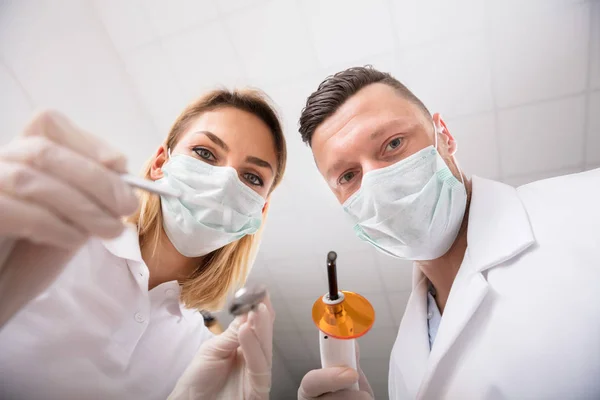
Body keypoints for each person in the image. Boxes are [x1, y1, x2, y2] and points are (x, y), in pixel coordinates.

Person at [296, 66, 600, 399]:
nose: (375, 185)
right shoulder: (404, 365)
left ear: (444, 135)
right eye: (347, 176)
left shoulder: (587, 207)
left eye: (393, 144)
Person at [0, 88, 287, 399]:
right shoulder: (49, 249)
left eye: (252, 177)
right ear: (161, 162)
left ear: (259, 211)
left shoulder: (203, 355)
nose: (224, 183)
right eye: (205, 153)